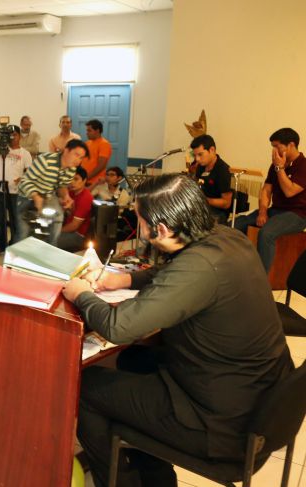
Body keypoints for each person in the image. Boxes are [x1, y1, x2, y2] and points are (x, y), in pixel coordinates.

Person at [61, 173, 293, 487]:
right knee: (131, 361)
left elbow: (119, 326)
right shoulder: (227, 237)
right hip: (254, 396)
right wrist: (126, 279)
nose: (139, 228)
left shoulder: (197, 268)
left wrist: (80, 294)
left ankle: (118, 483)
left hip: (221, 424)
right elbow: (174, 272)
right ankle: (153, 475)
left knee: (86, 387)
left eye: (141, 222)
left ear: (162, 229)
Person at [235, 127, 306, 271]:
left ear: (291, 145)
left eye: (277, 146)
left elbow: (290, 191)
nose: (274, 151)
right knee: (234, 225)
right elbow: (266, 190)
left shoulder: (303, 165)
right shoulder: (276, 165)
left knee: (266, 233)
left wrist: (280, 168)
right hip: (275, 210)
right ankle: (238, 271)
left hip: (297, 215)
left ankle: (260, 281)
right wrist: (262, 212)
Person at [16, 139, 89, 247]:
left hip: (48, 196)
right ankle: (16, 259)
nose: (78, 160)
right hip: (27, 196)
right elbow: (24, 182)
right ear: (66, 151)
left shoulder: (72, 169)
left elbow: (62, 185)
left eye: (81, 157)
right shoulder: (45, 160)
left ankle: (51, 248)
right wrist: (35, 196)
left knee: (58, 217)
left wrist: (66, 196)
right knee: (23, 234)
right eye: (76, 155)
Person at [0, 125, 31, 257]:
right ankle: (1, 246)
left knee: (15, 221)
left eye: (14, 134)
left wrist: (22, 178)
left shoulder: (25, 153)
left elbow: (30, 172)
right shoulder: (2, 149)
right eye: (10, 134)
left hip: (15, 192)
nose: (12, 137)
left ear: (19, 136)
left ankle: (13, 247)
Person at [184, 134, 233, 224]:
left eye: (200, 154)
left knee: (195, 223)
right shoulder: (201, 167)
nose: (197, 159)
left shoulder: (223, 170)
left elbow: (226, 203)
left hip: (218, 213)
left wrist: (204, 200)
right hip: (202, 207)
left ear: (212, 150)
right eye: (195, 155)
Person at [56, 167, 93, 251]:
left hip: (78, 236)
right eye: (70, 179)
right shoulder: (71, 193)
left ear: (84, 180)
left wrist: (57, 231)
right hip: (69, 230)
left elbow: (74, 226)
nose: (72, 182)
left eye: (76, 179)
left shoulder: (85, 197)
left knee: (50, 241)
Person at [81, 119, 112, 187]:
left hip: (96, 183)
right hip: (84, 181)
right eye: (87, 130)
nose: (87, 133)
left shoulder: (104, 144)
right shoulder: (87, 143)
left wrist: (87, 177)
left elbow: (101, 165)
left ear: (97, 131)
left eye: (89, 130)